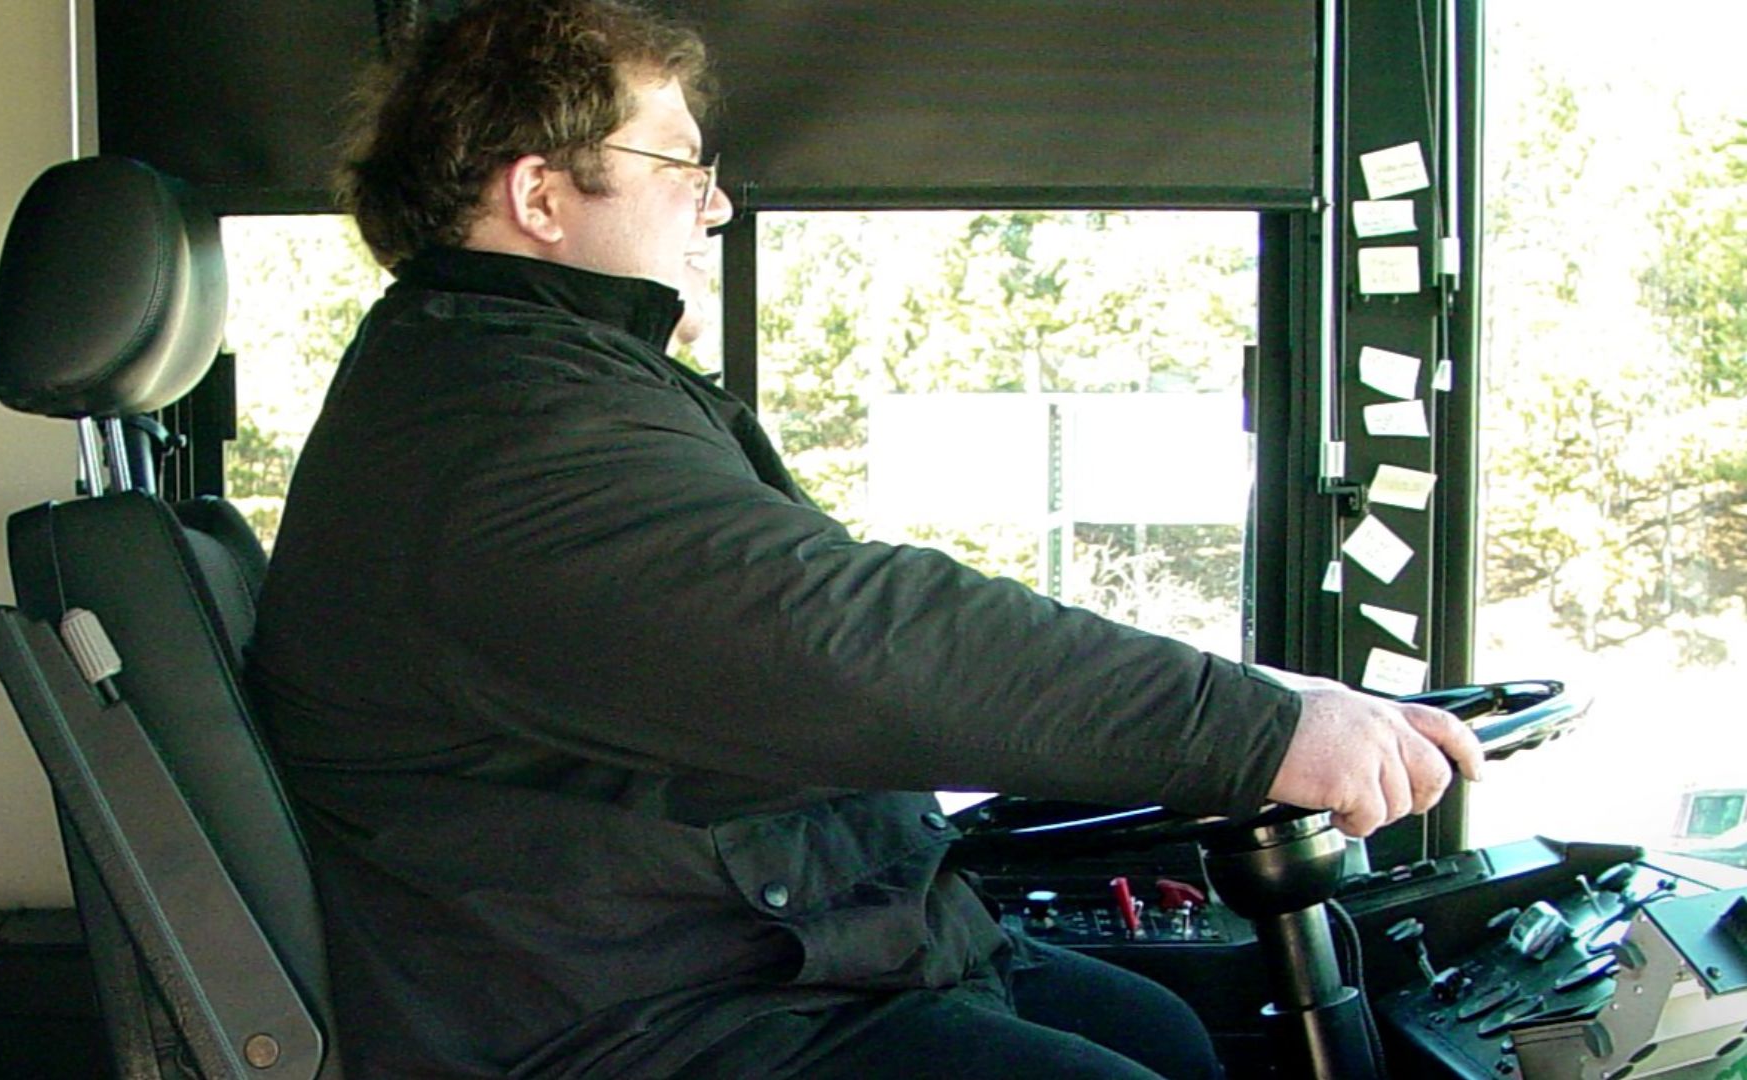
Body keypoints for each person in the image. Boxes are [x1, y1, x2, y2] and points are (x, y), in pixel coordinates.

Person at [247, 1, 1484, 1076]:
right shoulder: (503, 434)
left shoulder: (516, 379)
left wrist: (1254, 708)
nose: (716, 203)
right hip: (626, 1018)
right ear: (539, 196)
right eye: (679, 164)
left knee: (1161, 1028)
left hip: (686, 951)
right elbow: (850, 639)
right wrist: (1254, 728)